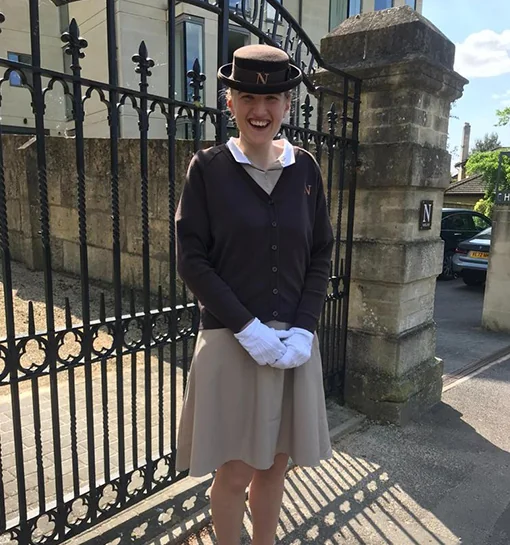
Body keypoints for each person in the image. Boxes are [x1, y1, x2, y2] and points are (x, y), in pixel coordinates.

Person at [175, 44, 334, 545]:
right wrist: (247, 327)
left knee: (275, 471)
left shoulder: (306, 170)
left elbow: (321, 254)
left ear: (288, 105)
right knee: (236, 474)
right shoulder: (208, 169)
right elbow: (191, 259)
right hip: (232, 343)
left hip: (292, 350)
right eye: (247, 97)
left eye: (272, 99)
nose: (259, 111)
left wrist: (305, 327)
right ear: (230, 102)